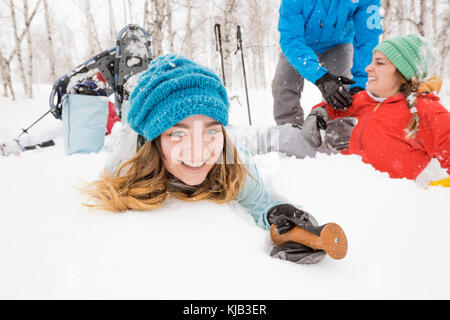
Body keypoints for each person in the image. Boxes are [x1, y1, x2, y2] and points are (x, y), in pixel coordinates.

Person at [82, 54, 334, 264]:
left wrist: (279, 216)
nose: (198, 151)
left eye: (211, 131)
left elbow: (258, 207)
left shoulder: (234, 163)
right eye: (177, 133)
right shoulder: (126, 167)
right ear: (154, 139)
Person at [301, 34, 450, 185]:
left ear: (404, 72)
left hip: (383, 201)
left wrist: (430, 193)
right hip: (349, 186)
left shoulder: (428, 112)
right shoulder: (369, 99)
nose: (368, 68)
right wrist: (319, 112)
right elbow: (336, 107)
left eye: (380, 63)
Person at [272, 0, 382, 127]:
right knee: (284, 86)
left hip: (338, 43)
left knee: (342, 92)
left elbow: (367, 38)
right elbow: (291, 39)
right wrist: (320, 76)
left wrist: (360, 83)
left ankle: (339, 139)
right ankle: (290, 131)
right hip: (299, 44)